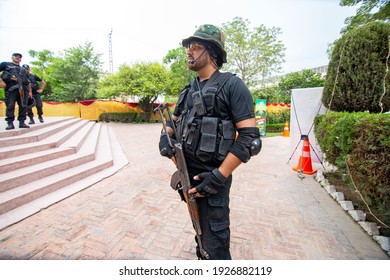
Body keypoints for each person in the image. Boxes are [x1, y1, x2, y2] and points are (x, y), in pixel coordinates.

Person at [158, 24, 261, 259]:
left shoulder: (233, 86)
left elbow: (249, 139)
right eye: (188, 47)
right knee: (200, 234)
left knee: (215, 244)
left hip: (213, 181)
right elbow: (172, 125)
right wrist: (165, 139)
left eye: (195, 47)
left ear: (212, 52)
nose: (189, 51)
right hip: (188, 178)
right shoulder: (188, 90)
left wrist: (219, 176)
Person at [0, 53, 32, 130]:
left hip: (22, 89)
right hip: (11, 89)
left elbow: (27, 82)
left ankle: (22, 122)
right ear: (12, 57)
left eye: (19, 57)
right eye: (16, 56)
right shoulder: (6, 64)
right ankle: (10, 123)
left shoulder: (23, 69)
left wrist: (30, 92)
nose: (18, 58)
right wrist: (1, 81)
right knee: (10, 105)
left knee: (23, 106)